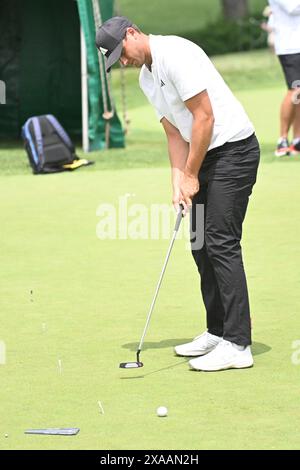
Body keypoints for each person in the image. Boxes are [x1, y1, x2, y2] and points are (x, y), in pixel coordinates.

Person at [96, 17, 260, 372]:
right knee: (200, 244)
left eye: (121, 54)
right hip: (204, 154)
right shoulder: (146, 78)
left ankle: (238, 344)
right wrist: (177, 182)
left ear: (132, 33)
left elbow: (204, 118)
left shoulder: (176, 54)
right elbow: (175, 134)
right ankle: (217, 332)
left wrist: (190, 173)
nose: (123, 63)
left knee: (220, 241)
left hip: (234, 151)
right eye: (115, 62)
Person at [268, 0, 300, 157]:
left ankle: (297, 140)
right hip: (290, 46)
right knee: (295, 89)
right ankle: (282, 140)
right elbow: (293, 7)